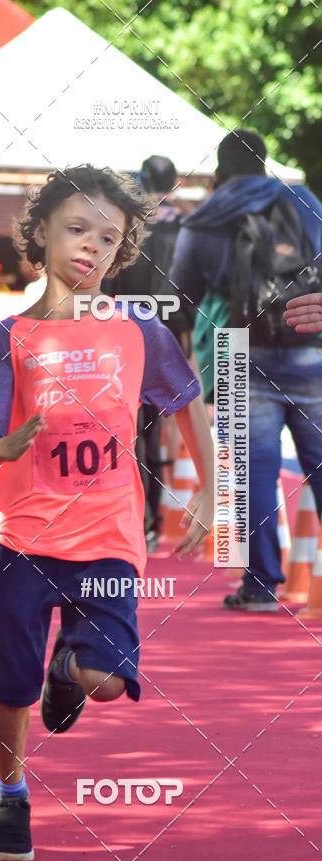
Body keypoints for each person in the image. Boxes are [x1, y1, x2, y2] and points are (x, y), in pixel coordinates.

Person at [0, 164, 214, 861]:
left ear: (122, 250)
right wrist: (0, 446)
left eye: (108, 237)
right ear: (40, 232)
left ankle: (68, 666)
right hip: (25, 536)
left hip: (109, 535)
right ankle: (10, 794)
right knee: (10, 683)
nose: (91, 246)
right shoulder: (10, 336)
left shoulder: (137, 330)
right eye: (76, 229)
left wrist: (211, 490)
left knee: (106, 682)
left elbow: (186, 401)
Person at [169, 128, 322, 612]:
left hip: (239, 353)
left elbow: (181, 296)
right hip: (311, 346)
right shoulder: (303, 200)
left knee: (250, 473)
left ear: (220, 170)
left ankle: (260, 587)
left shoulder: (205, 218)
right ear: (264, 161)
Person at [102, 155, 185, 552]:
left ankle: (135, 520)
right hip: (172, 338)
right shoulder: (187, 225)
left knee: (126, 433)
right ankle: (152, 525)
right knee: (155, 436)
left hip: (125, 336)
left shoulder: (129, 224)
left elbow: (107, 284)